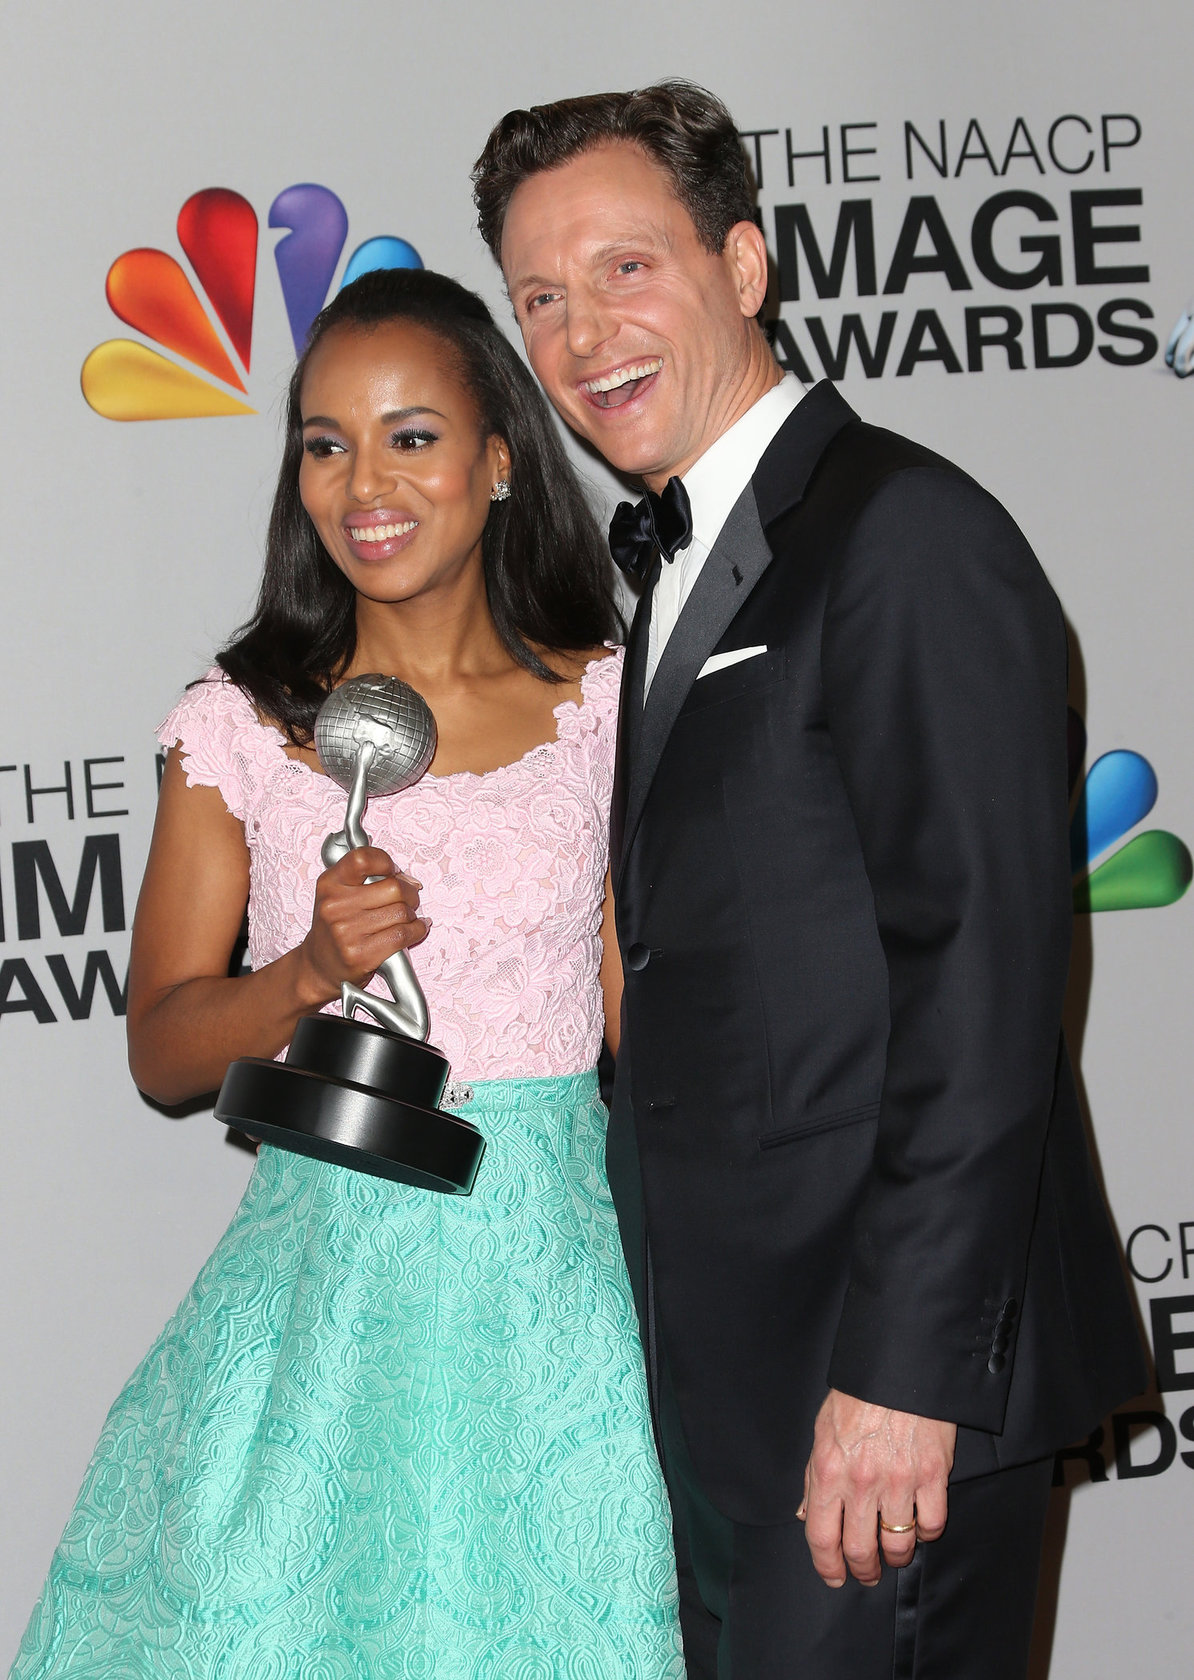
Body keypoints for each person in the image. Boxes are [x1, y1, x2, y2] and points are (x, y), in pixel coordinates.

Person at [474, 81, 1147, 1680]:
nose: (582, 337)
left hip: (879, 1397)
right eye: (541, 299)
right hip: (738, 1393)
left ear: (747, 265)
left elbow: (982, 985)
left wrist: (904, 1377)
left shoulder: (903, 535)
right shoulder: (668, 566)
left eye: (626, 270)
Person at [11, 268, 684, 1680]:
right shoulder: (243, 724)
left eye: (410, 437)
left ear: (499, 460)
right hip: (322, 1304)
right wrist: (309, 967)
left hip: (554, 1305)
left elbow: (651, 1026)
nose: (361, 483)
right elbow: (166, 1050)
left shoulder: (610, 702)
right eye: (324, 442)